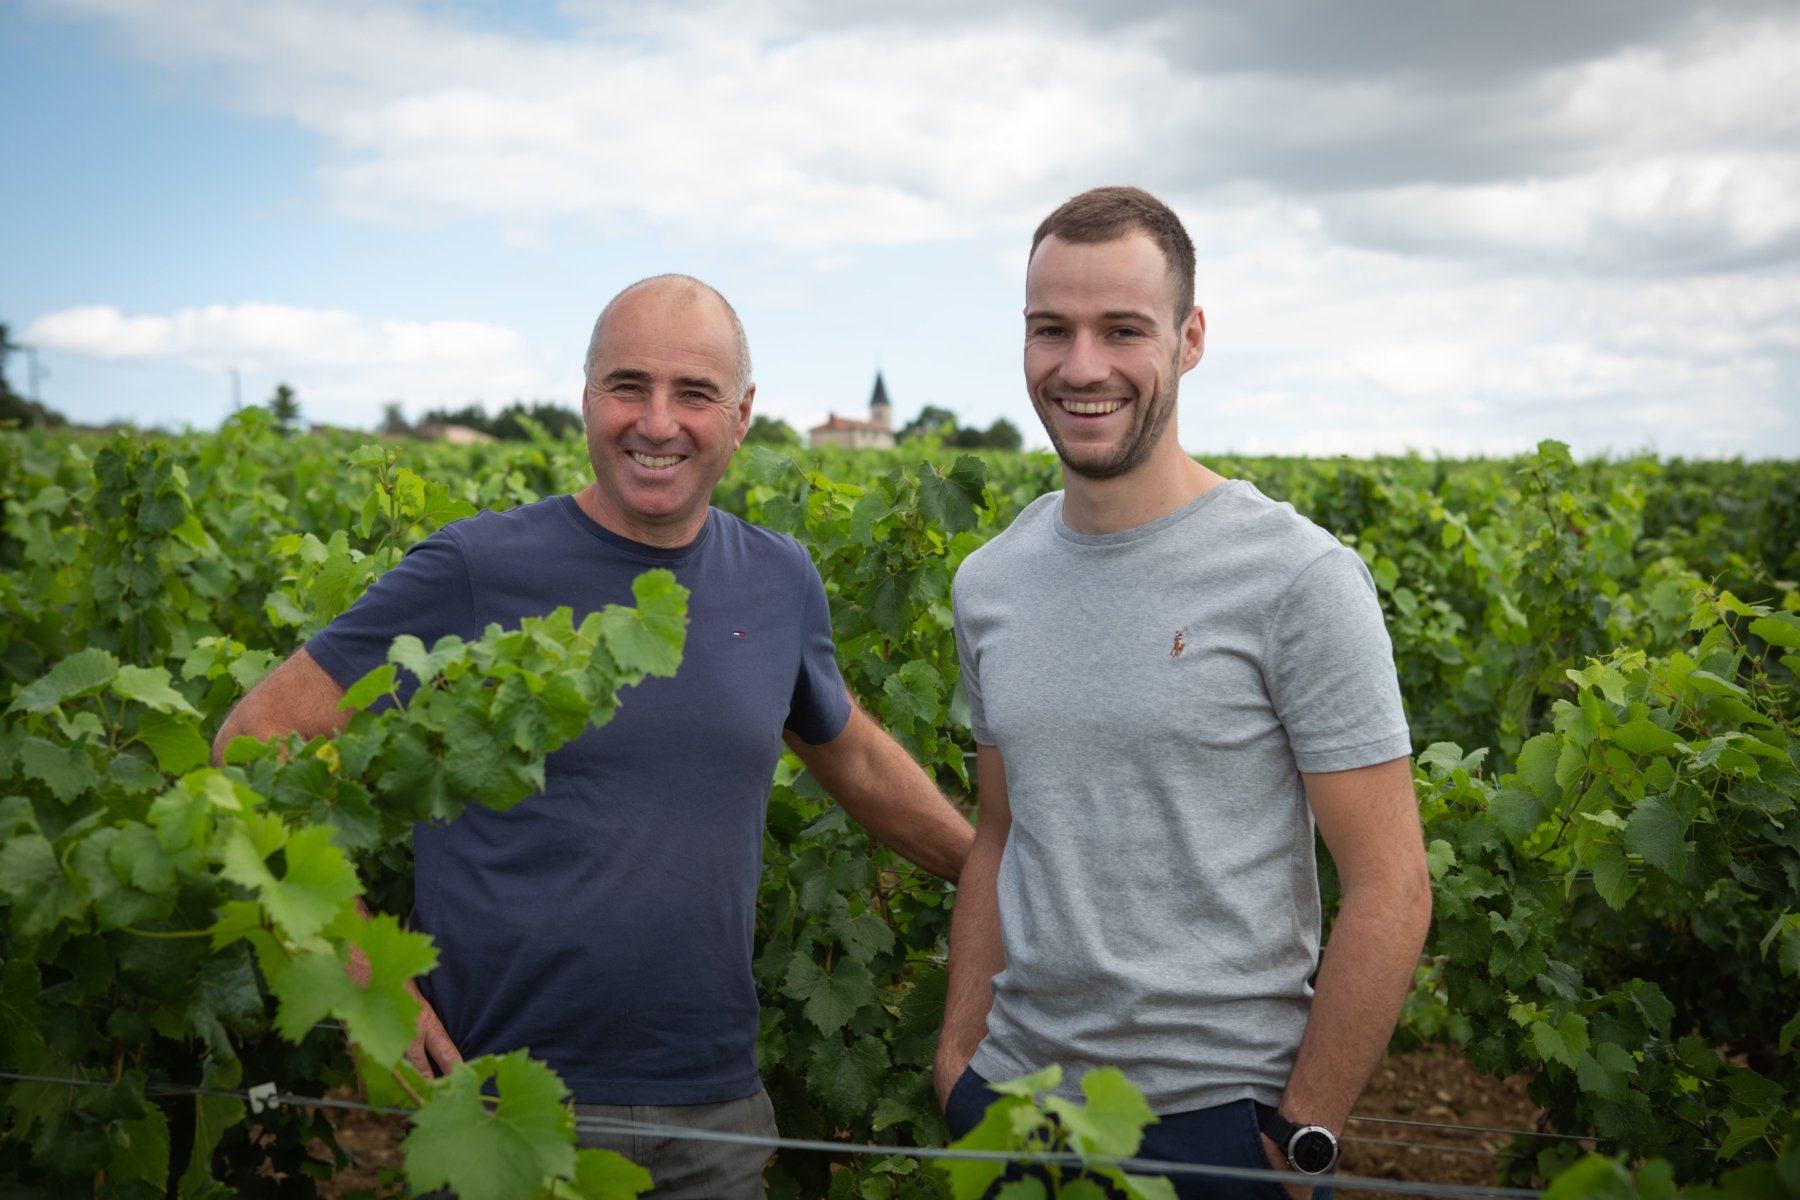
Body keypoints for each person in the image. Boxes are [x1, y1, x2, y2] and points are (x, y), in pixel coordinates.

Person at [215, 274, 975, 1200]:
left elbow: (852, 757)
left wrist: (994, 872)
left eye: (694, 393)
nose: (657, 422)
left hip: (713, 1116)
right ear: (585, 400)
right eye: (627, 386)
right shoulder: (472, 569)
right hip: (502, 1110)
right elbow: (256, 740)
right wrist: (361, 961)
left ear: (741, 416)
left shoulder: (779, 578)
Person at [933, 188, 1432, 1200]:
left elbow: (1392, 883)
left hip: (1215, 1130)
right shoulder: (990, 583)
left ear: (1190, 337)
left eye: (1123, 330)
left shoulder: (1297, 578)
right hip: (1012, 1111)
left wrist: (1304, 1134)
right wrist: (958, 1070)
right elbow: (999, 831)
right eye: (1050, 330)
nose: (1081, 366)